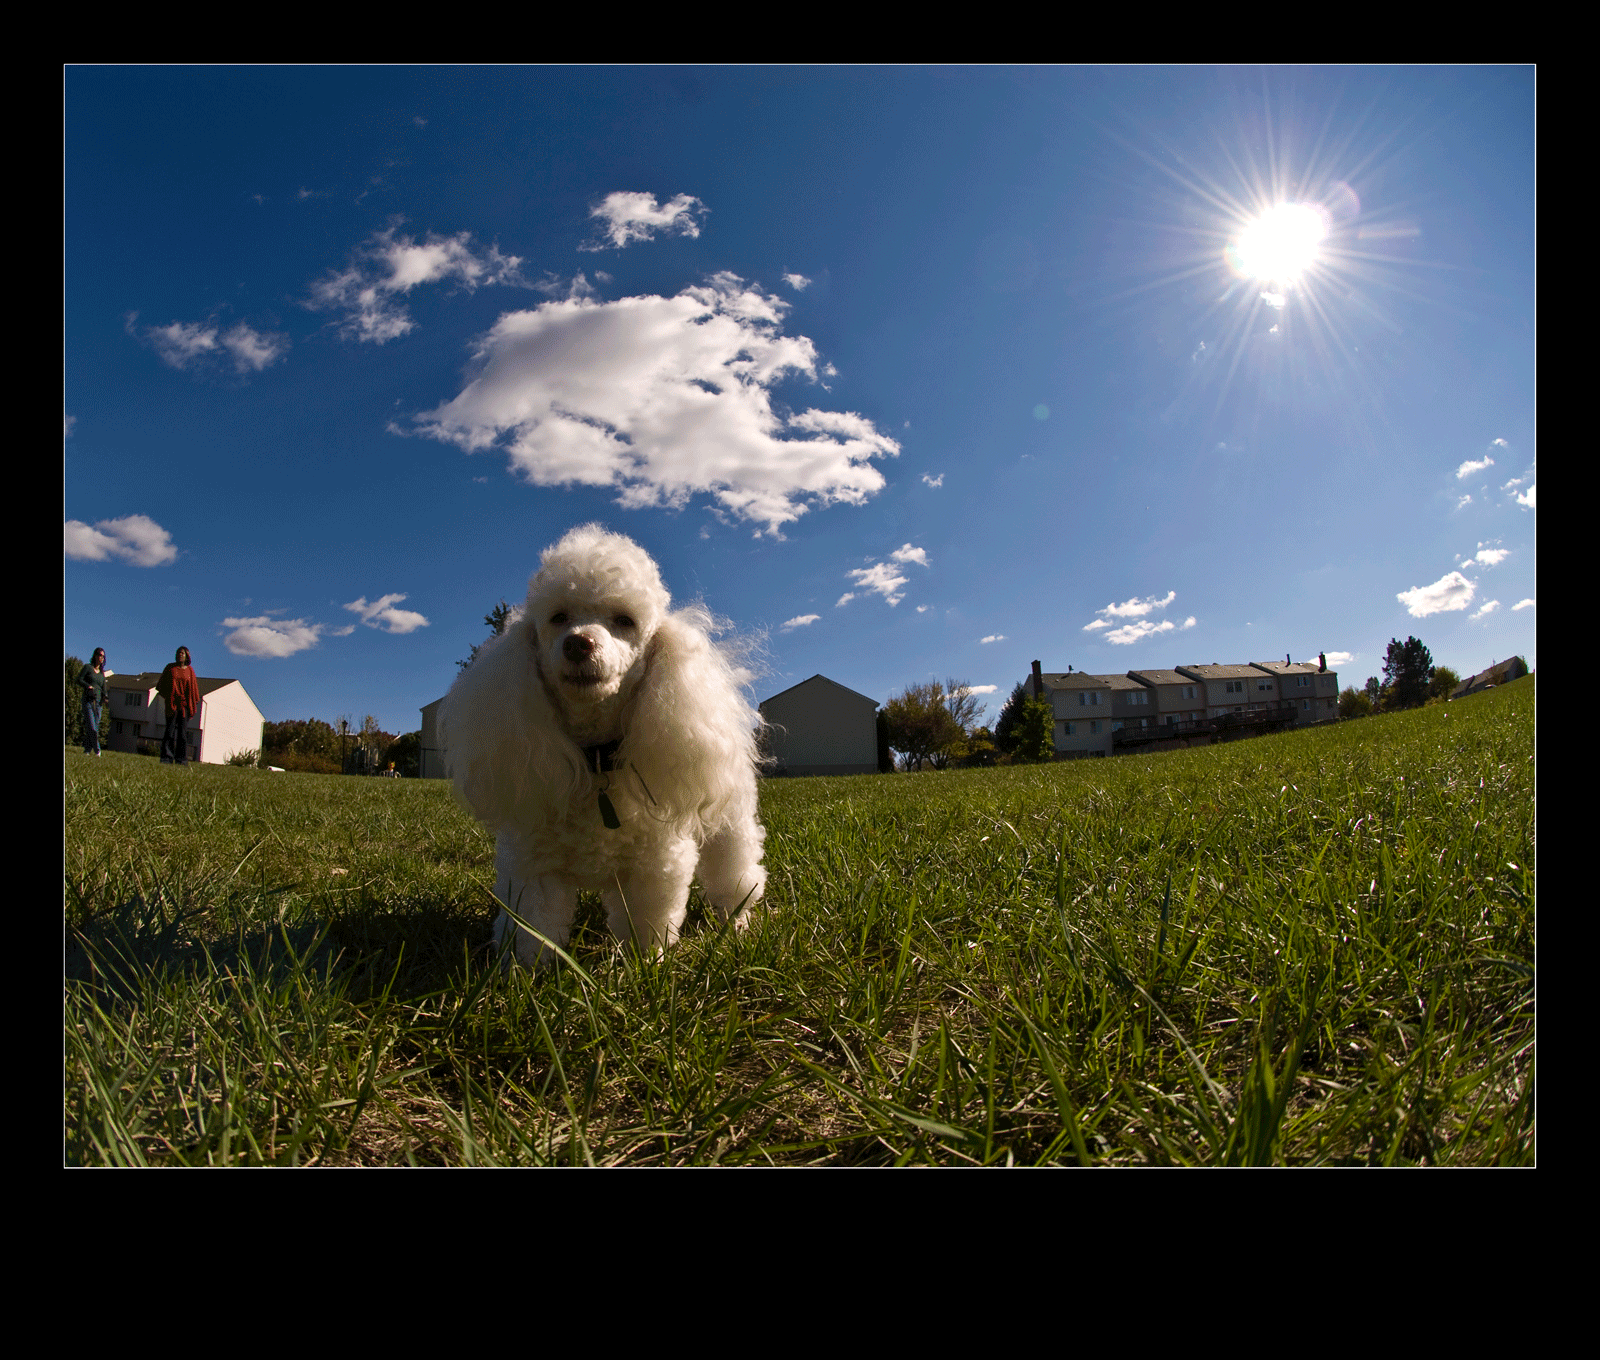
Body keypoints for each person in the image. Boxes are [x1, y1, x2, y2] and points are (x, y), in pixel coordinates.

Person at [157, 646, 200, 765]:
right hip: (172, 704)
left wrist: (189, 702)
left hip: (184, 706)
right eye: (177, 653)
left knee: (182, 734)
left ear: (187, 656)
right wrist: (170, 696)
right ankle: (166, 758)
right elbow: (162, 685)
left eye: (182, 653)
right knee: (169, 731)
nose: (179, 655)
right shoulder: (170, 668)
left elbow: (193, 690)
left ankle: (182, 760)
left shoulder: (190, 671)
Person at [79, 648, 108, 755]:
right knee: (91, 726)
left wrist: (105, 697)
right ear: (95, 656)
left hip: (98, 703)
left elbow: (104, 688)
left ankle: (87, 750)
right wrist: (88, 686)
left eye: (103, 656)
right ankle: (97, 750)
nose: (101, 657)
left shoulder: (101, 674)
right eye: (100, 655)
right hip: (88, 700)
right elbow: (79, 679)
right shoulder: (88, 668)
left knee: (95, 728)